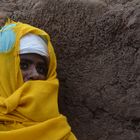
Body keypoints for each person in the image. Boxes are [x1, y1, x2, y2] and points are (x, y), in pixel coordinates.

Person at [0, 15, 77, 140]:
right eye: (24, 65)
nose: (35, 74)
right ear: (4, 69)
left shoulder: (60, 133)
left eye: (41, 69)